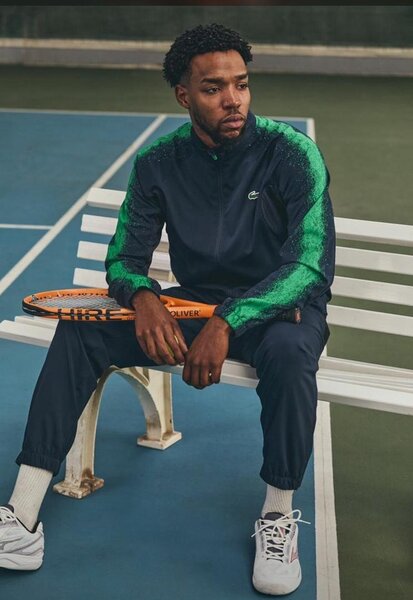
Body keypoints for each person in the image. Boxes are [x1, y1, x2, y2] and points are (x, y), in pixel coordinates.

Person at [0, 23, 335, 595]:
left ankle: (278, 515)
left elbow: (308, 267)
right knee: (81, 332)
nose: (233, 99)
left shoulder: (291, 153)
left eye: (241, 84)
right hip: (194, 305)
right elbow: (123, 257)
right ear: (184, 96)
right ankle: (22, 514)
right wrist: (144, 297)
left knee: (288, 356)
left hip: (280, 310)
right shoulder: (158, 161)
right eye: (213, 88)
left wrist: (228, 320)